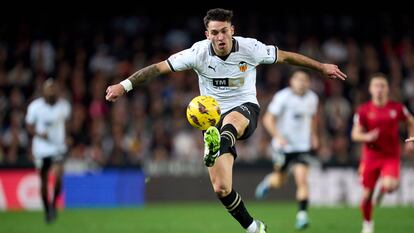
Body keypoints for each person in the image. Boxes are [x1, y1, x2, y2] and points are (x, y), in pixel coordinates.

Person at [105, 8, 346, 233]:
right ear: (207, 34)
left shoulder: (251, 48)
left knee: (230, 121)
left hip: (245, 110)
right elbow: (158, 68)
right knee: (221, 188)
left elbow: (286, 58)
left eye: (224, 31)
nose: (220, 37)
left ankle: (218, 141)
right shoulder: (197, 52)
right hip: (211, 119)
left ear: (232, 30)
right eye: (214, 32)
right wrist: (124, 86)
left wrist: (321, 66)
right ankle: (253, 227)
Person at [255, 69, 319, 230]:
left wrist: (314, 135)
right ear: (291, 81)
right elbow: (268, 119)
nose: (301, 83)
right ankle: (268, 183)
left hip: (302, 146)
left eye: (304, 80)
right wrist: (278, 136)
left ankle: (302, 216)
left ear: (308, 83)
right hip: (283, 147)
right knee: (279, 180)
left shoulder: (312, 98)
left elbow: (312, 118)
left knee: (302, 180)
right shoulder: (282, 97)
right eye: (298, 79)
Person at [351, 73, 414, 233]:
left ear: (387, 89)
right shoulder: (364, 110)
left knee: (391, 186)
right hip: (370, 156)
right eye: (376, 86)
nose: (379, 89)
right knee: (366, 196)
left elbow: (410, 121)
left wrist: (411, 138)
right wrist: (367, 136)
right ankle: (367, 224)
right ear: (371, 89)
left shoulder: (396, 108)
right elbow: (355, 134)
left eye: (382, 86)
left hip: (390, 156)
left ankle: (382, 192)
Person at [25, 79, 71, 223]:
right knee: (43, 181)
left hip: (58, 148)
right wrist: (39, 134)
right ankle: (47, 210)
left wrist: (68, 137)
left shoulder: (64, 105)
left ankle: (53, 204)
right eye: (49, 89)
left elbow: (68, 123)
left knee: (58, 177)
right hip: (41, 149)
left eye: (54, 89)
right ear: (44, 91)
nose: (52, 92)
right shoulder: (35, 107)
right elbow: (29, 126)